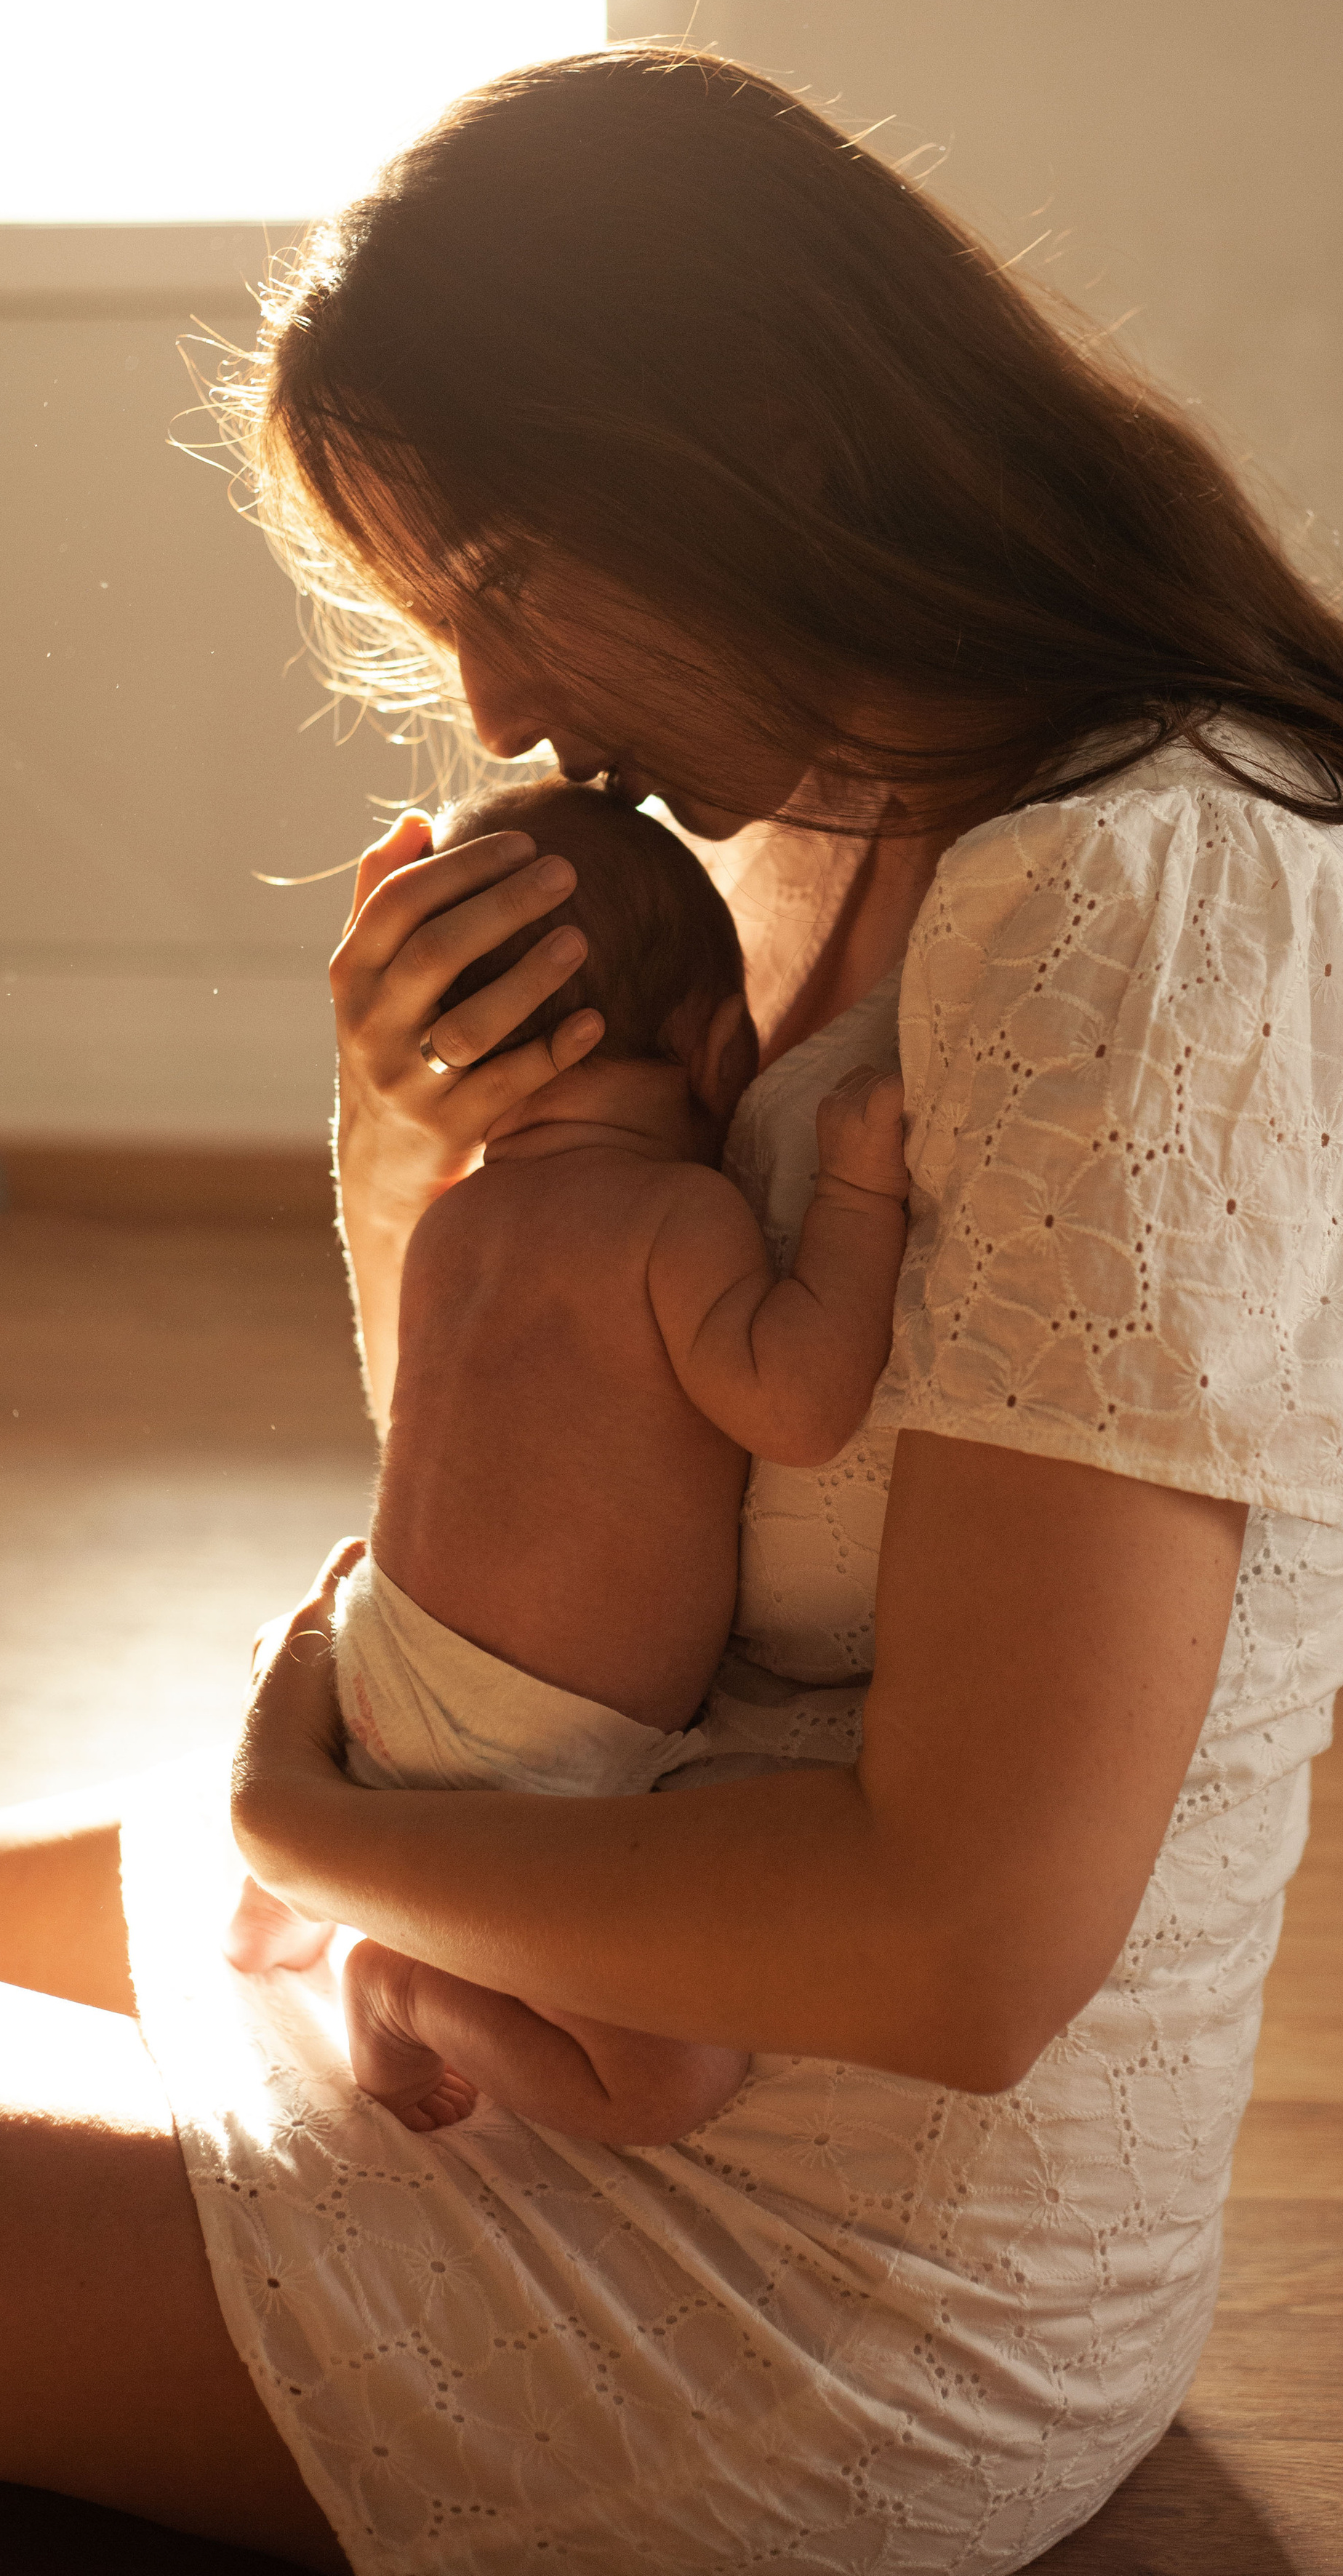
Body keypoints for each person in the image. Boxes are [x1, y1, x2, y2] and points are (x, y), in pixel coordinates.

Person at [0, 49, 1343, 2573]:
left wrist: (307, 1825)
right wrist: (432, 1135)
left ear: (769, 427)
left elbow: (964, 1950)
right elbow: (573, 1536)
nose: (498, 711)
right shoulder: (821, 833)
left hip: (794, 2276)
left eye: (505, 576)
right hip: (540, 1939)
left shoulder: (1147, 909)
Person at [226, 776, 912, 2148]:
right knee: (665, 2083)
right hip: (534, 1757)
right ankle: (403, 1983)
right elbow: (797, 1408)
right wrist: (857, 1192)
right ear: (718, 1046)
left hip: (378, 1668)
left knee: (353, 1690)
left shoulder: (454, 1226)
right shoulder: (678, 1216)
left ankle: (277, 1910)